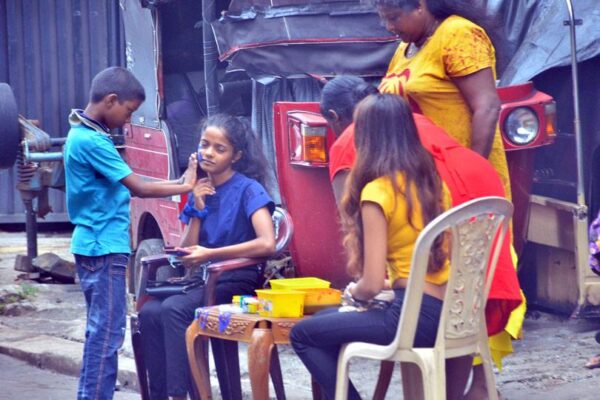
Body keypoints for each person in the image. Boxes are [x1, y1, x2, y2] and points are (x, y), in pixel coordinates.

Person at [321, 75, 522, 398]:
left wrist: (369, 285)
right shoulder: (414, 135)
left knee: (315, 332)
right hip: (482, 195)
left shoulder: (353, 142)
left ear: (336, 119)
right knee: (462, 299)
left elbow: (355, 225)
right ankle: (476, 387)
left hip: (418, 299)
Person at [291, 93, 451, 400]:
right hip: (446, 311)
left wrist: (353, 292)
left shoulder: (378, 193)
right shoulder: (432, 183)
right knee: (324, 322)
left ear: (364, 137)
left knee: (303, 335)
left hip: (409, 320)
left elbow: (372, 283)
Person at [64, 66, 198, 400]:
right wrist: (184, 184)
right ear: (111, 100)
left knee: (102, 334)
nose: (127, 121)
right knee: (107, 336)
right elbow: (137, 186)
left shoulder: (81, 133)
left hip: (95, 245)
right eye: (128, 111)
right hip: (102, 247)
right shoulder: (92, 141)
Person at [138, 114, 276, 400]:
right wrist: (197, 207)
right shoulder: (198, 188)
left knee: (174, 309)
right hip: (202, 280)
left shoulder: (249, 189)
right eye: (205, 145)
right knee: (150, 312)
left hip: (237, 281)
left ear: (236, 155)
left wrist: (211, 254)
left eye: (219, 148)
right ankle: (157, 395)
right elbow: (188, 249)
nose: (209, 153)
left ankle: (181, 395)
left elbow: (267, 243)